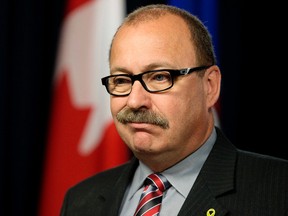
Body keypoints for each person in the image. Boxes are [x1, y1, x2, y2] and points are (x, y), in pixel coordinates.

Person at [60, 4, 288, 216]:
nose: (134, 100)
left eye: (160, 77)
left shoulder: (279, 191)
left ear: (210, 86)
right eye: (121, 80)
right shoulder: (80, 201)